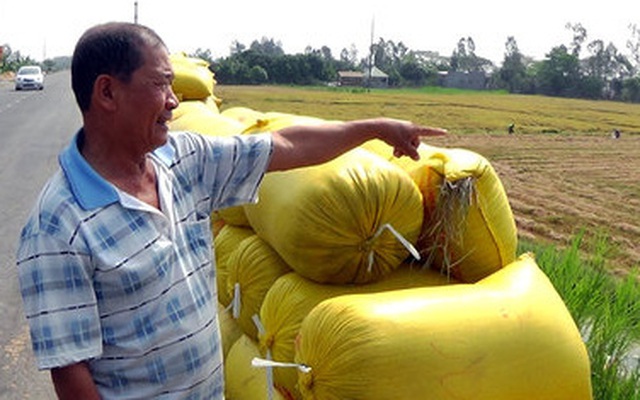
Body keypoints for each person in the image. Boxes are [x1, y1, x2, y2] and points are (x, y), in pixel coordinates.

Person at [15, 22, 446, 399]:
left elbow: (285, 146)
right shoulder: (59, 225)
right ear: (107, 92)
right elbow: (71, 373)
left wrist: (373, 128)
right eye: (161, 84)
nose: (173, 102)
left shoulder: (183, 161)